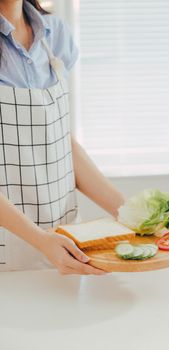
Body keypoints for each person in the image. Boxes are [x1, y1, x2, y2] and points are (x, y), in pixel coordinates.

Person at [0, 0, 125, 274]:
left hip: (66, 247)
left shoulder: (54, 34)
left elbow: (59, 144)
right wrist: (41, 241)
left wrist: (129, 213)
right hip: (9, 254)